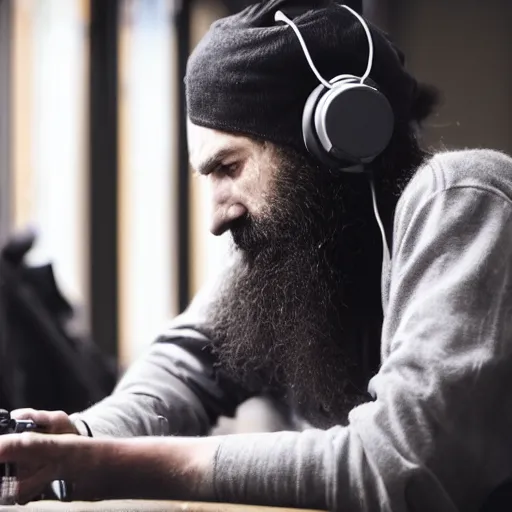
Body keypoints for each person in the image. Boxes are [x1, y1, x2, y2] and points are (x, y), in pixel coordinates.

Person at [2, 1, 512, 510]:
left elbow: (401, 466)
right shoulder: (309, 249)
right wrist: (84, 435)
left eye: (228, 168)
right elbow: (184, 362)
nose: (216, 218)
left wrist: (110, 467)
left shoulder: (465, 197)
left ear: (332, 138)